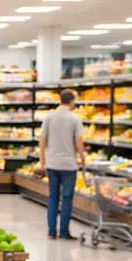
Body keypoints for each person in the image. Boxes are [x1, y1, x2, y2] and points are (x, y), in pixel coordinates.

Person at [36, 89, 85, 240]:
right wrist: (82, 158)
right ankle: (64, 232)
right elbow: (78, 141)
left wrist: (42, 160)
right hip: (69, 164)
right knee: (67, 198)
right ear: (71, 101)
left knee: (52, 197)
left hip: (52, 163)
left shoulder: (49, 117)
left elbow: (42, 139)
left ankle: (52, 231)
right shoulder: (75, 118)